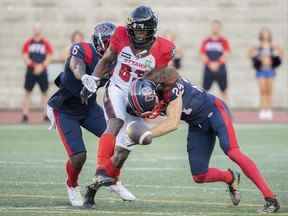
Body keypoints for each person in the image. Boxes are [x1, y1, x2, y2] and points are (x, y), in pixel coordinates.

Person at [126, 67, 280, 213]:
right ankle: (230, 177)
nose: (152, 110)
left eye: (151, 105)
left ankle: (270, 198)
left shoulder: (169, 87)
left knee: (232, 151)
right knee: (199, 175)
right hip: (197, 125)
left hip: (214, 110)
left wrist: (147, 134)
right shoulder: (146, 91)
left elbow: (173, 123)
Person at [80, 5, 176, 208]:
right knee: (115, 123)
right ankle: (100, 168)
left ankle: (94, 188)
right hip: (116, 88)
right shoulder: (121, 35)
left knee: (125, 149)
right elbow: (106, 60)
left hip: (136, 96)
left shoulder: (163, 49)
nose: (137, 33)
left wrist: (153, 103)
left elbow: (157, 80)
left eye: (142, 29)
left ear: (151, 30)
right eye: (135, 29)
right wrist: (94, 80)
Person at [46, 22, 135, 207]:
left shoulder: (115, 60)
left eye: (113, 42)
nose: (111, 45)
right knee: (79, 156)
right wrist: (84, 76)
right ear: (97, 41)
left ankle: (113, 180)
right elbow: (75, 64)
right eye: (107, 42)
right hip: (65, 109)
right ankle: (72, 185)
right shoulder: (83, 48)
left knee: (116, 138)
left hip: (89, 108)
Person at [248, 28, 283, 120]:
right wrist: (255, 55)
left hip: (270, 70)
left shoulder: (272, 46)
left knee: (269, 91)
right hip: (261, 71)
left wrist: (277, 53)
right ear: (261, 35)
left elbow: (281, 53)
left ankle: (269, 110)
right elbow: (250, 54)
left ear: (269, 35)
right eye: (263, 34)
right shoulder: (258, 47)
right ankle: (263, 110)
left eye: (267, 34)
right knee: (262, 91)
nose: (265, 35)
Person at [21, 23, 53, 123]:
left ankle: (46, 115)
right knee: (27, 93)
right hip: (31, 71)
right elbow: (25, 55)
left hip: (42, 71)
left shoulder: (45, 43)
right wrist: (33, 66)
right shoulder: (28, 43)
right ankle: (25, 115)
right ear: (33, 30)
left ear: (41, 30)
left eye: (38, 29)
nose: (36, 31)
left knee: (44, 93)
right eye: (35, 29)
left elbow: (49, 56)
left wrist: (42, 66)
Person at [200, 20, 230, 102]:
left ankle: (225, 111)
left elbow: (226, 54)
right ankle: (204, 112)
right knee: (205, 91)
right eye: (214, 26)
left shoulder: (223, 41)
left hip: (220, 69)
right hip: (208, 69)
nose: (215, 28)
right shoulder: (206, 41)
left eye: (217, 27)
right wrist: (210, 64)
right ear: (211, 27)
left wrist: (218, 63)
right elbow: (202, 54)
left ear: (220, 28)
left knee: (224, 90)